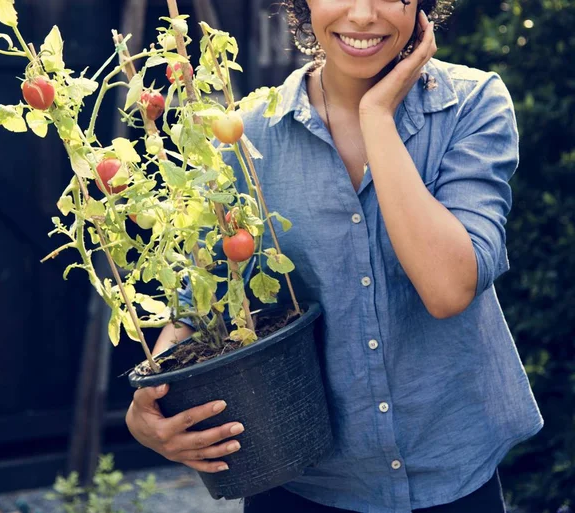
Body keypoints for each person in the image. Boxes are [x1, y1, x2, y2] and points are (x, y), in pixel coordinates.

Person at [126, 0, 544, 511]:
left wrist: (377, 116)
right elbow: (206, 300)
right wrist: (154, 404)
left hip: (453, 480)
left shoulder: (471, 104)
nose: (363, 15)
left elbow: (448, 288)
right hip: (302, 484)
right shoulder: (247, 133)